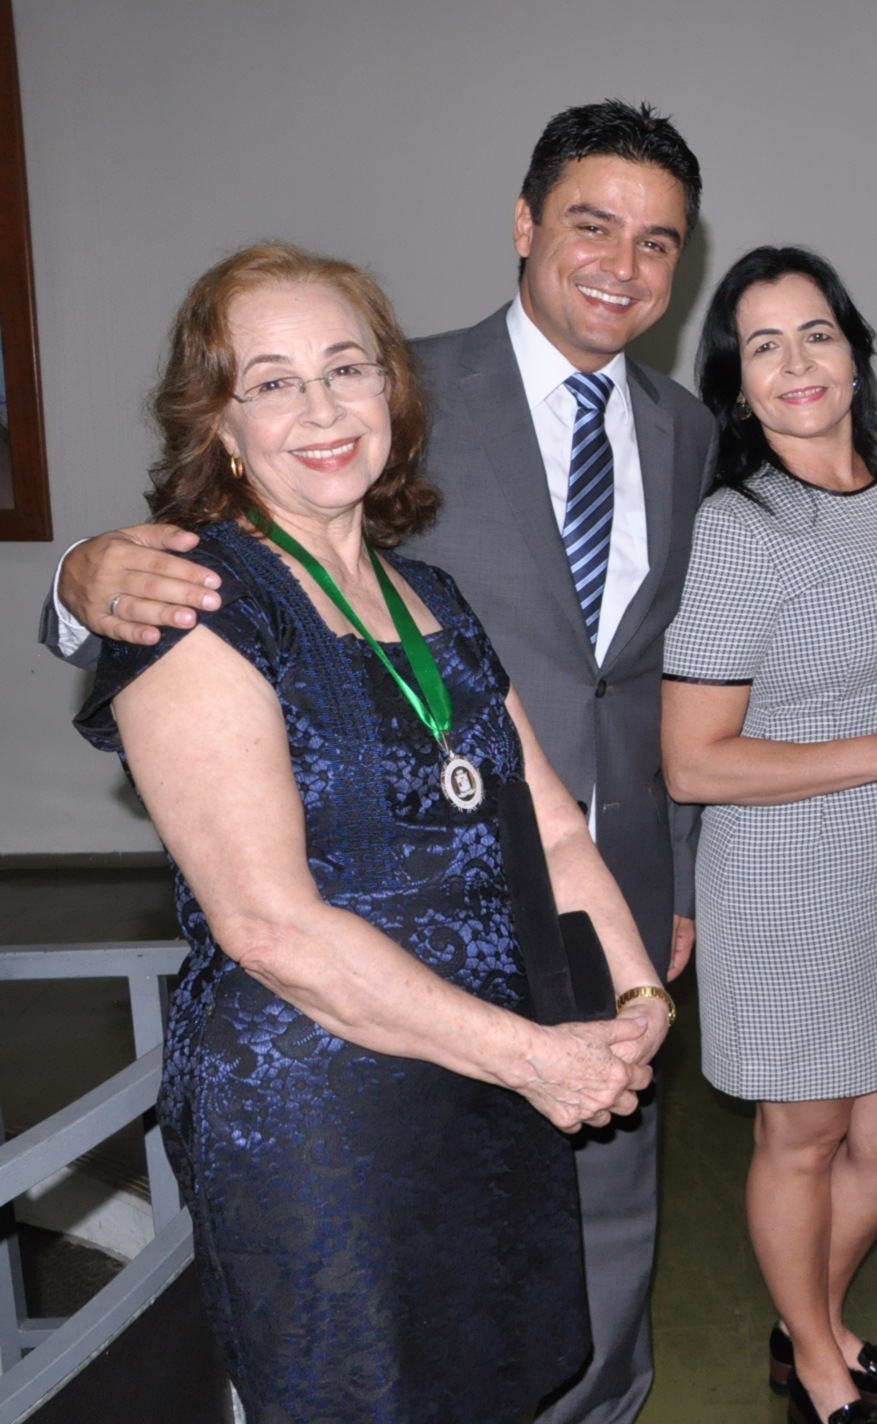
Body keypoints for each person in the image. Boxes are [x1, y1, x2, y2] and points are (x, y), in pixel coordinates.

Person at [44, 101, 714, 1424]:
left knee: (502, 1370)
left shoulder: (444, 591)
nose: (320, 407)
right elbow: (268, 926)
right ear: (219, 421)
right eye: (271, 383)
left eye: (345, 370)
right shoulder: (203, 599)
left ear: (387, 393)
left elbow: (554, 820)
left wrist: (636, 995)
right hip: (328, 1109)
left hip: (497, 1061)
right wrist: (75, 576)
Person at [661, 246, 877, 1424]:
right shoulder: (739, 529)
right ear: (735, 382)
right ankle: (814, 1351)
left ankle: (806, 1310)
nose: (796, 362)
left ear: (853, 350)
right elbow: (693, 760)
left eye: (816, 333)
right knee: (802, 1136)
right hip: (788, 877)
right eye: (764, 344)